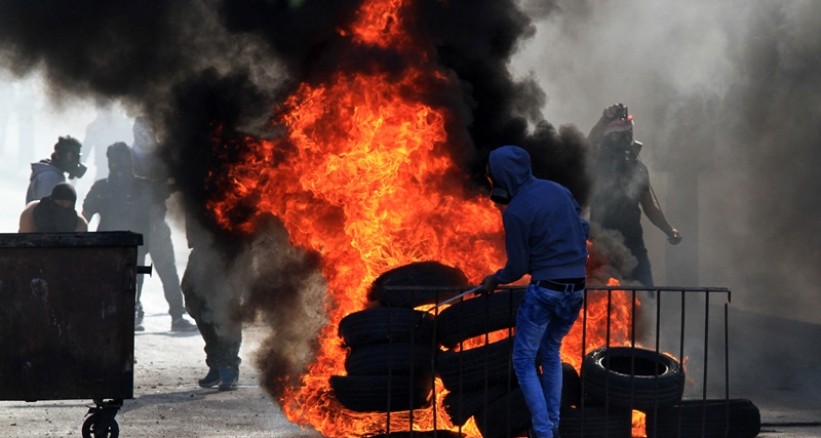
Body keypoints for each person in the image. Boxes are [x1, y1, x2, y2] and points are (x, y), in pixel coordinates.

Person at [476, 145, 589, 438]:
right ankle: (553, 425)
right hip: (576, 289)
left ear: (501, 178)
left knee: (524, 360)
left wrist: (494, 279)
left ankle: (542, 430)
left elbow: (518, 266)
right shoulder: (559, 190)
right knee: (550, 352)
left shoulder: (515, 211)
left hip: (546, 292)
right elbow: (583, 227)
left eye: (492, 178)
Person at [82, 142, 196, 332]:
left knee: (166, 273)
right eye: (117, 162)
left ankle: (177, 314)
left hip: (151, 238)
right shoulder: (102, 189)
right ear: (110, 163)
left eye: (124, 162)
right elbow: (83, 217)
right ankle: (133, 310)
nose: (121, 167)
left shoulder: (144, 186)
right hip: (120, 244)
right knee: (133, 276)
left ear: (131, 162)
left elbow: (170, 188)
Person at [588, 103, 682, 286]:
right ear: (607, 137)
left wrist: (669, 230)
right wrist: (604, 118)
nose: (622, 139)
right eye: (617, 134)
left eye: (626, 134)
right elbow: (588, 145)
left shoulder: (638, 169)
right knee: (601, 299)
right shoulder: (596, 165)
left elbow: (650, 207)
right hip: (601, 244)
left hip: (633, 244)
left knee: (644, 295)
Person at [181, 213, 243, 391]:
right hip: (202, 250)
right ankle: (216, 364)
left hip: (228, 251)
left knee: (226, 309)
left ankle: (228, 366)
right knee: (196, 300)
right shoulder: (198, 188)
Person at [26, 136, 87, 204]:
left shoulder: (53, 174)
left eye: (77, 157)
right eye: (71, 157)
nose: (75, 162)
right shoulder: (50, 177)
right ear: (58, 154)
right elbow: (46, 210)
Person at [19, 182, 88, 233]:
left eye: (69, 206)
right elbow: (25, 240)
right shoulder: (31, 211)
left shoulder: (80, 222)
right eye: (61, 203)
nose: (64, 208)